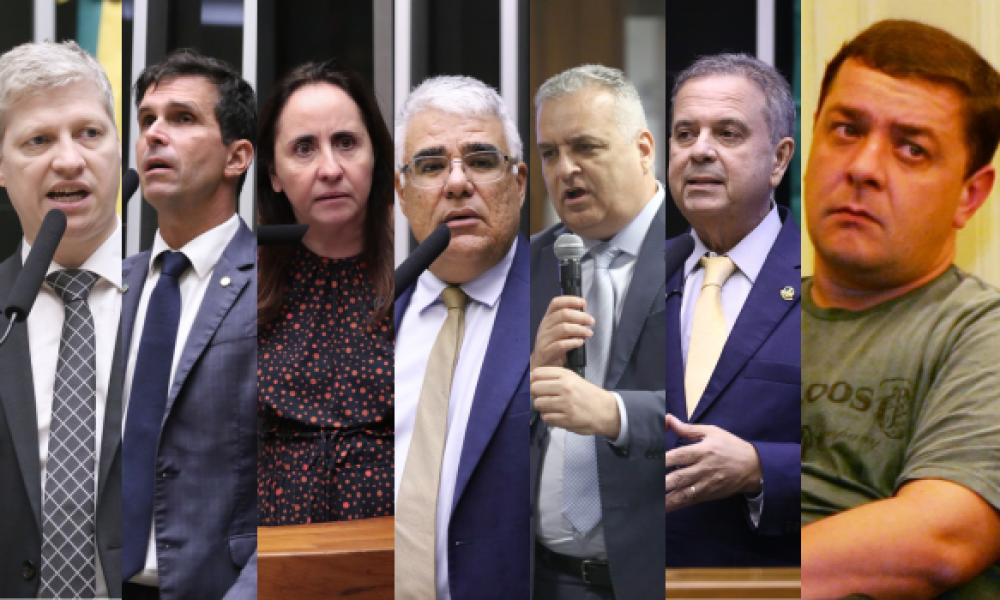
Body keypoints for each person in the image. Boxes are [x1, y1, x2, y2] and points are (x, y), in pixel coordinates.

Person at [801, 20, 1000, 599]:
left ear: (970, 194)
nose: (863, 167)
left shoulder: (977, 332)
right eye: (846, 130)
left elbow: (941, 538)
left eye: (911, 148)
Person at [122, 49, 257, 599]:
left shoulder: (279, 288)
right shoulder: (109, 286)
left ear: (237, 157)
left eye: (181, 118)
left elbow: (302, 490)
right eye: (147, 119)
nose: (154, 134)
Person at [531, 64, 665, 598]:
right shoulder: (531, 265)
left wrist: (617, 414)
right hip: (545, 579)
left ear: (643, 148)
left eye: (585, 147)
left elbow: (733, 406)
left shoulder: (701, 252)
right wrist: (531, 375)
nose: (565, 170)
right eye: (549, 154)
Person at [394, 75, 529, 600]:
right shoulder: (368, 316)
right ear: (402, 194)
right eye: (430, 166)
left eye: (480, 160)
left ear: (518, 183)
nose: (456, 183)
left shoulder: (573, 302)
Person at [663, 54, 800, 567]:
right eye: (684, 133)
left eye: (728, 133)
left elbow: (875, 474)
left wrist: (760, 468)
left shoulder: (830, 284)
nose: (700, 151)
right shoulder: (632, 283)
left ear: (780, 159)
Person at [0, 40, 122, 599]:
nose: (70, 159)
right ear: (2, 168)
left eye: (90, 133)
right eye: (39, 140)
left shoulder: (177, 292)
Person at [256, 60, 394, 524]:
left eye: (346, 143)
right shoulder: (243, 280)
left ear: (376, 155)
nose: (330, 169)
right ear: (274, 174)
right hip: (272, 554)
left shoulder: (425, 268)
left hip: (401, 554)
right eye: (303, 149)